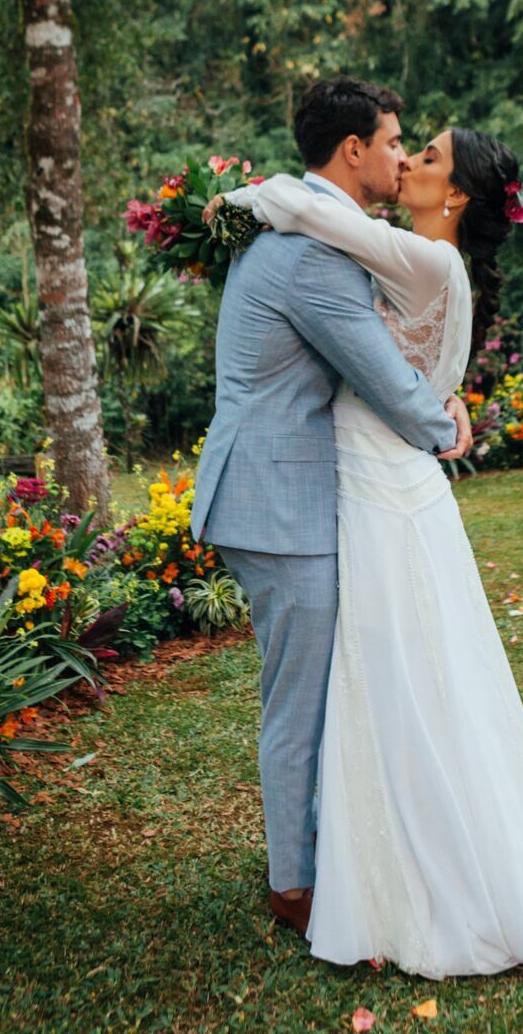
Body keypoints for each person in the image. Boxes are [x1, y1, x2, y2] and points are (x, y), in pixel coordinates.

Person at [214, 124, 523, 979]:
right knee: (398, 672)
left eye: (428, 157)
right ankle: (367, 843)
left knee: (393, 675)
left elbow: (335, 229)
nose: (409, 161)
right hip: (378, 482)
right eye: (404, 147)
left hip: (377, 486)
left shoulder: (427, 258)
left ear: (453, 196)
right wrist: (444, 408)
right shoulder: (417, 257)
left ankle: (400, 861)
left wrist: (255, 196)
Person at [190, 77, 473, 938]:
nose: (399, 154)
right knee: (299, 697)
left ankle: (322, 848)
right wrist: (446, 427)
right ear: (351, 150)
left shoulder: (306, 226)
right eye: (392, 141)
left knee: (315, 686)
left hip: (280, 488)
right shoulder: (311, 254)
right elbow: (381, 377)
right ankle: (295, 883)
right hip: (274, 497)